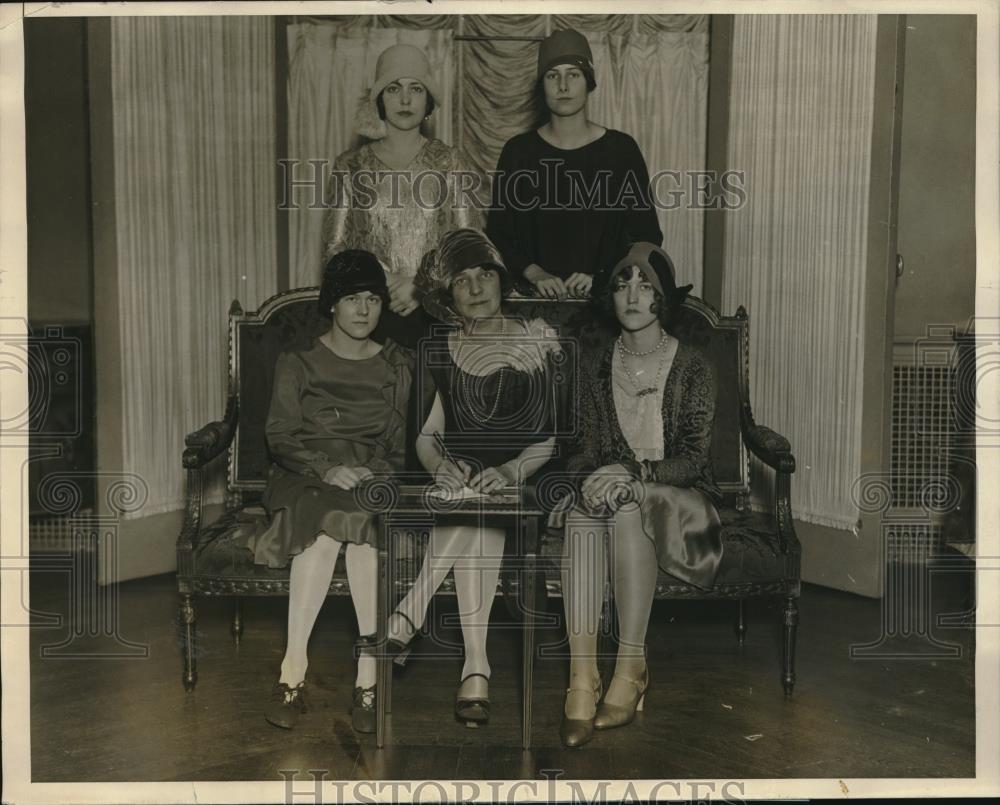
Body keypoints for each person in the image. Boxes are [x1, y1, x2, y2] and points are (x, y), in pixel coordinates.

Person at [385, 228, 563, 725]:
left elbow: (549, 440)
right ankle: (476, 668)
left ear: (502, 281)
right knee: (469, 502)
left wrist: (507, 471)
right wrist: (440, 465)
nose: (477, 287)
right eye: (462, 281)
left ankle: (410, 612)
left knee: (478, 503)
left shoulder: (537, 340)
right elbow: (427, 438)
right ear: (448, 296)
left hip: (526, 480)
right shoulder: (439, 347)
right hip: (464, 485)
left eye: (485, 274)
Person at [555, 242, 724, 747]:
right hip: (617, 488)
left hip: (681, 500)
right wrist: (590, 478)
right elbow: (584, 446)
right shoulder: (595, 363)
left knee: (630, 504)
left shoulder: (694, 366)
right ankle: (582, 680)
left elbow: (693, 460)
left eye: (644, 284)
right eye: (622, 284)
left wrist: (631, 471)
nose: (631, 295)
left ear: (662, 297)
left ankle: (631, 667)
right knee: (586, 511)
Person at [254, 250, 413, 734]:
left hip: (370, 478)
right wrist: (327, 468)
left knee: (366, 532)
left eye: (373, 299)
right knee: (324, 533)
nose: (364, 310)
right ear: (331, 305)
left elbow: (401, 442)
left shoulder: (397, 363)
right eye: (351, 299)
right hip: (307, 475)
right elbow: (280, 435)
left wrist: (373, 470)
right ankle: (292, 674)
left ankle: (368, 681)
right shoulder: (298, 361)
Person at [321, 43, 484, 347]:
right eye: (394, 89)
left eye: (416, 89)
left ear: (429, 101)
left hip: (438, 317)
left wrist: (422, 287)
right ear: (380, 100)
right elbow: (335, 250)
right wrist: (379, 285)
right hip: (368, 319)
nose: (406, 99)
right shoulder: (350, 165)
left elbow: (469, 244)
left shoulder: (451, 162)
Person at [486, 28, 662, 301]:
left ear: (589, 82)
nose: (563, 86)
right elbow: (498, 235)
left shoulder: (620, 150)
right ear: (541, 84)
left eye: (574, 74)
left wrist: (604, 275)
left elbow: (646, 236)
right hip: (534, 305)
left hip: (606, 303)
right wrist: (534, 273)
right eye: (553, 75)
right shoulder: (518, 152)